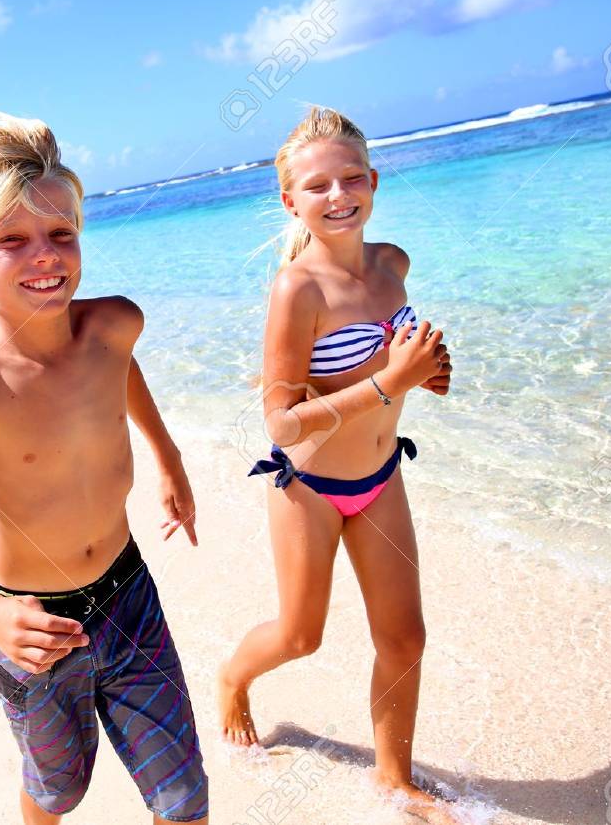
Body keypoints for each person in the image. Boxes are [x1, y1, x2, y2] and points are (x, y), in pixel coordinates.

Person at [0, 112, 209, 823]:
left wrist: (168, 456)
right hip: (33, 627)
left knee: (183, 798)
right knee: (57, 790)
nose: (45, 256)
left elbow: (122, 371)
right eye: (11, 241)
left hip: (130, 595)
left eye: (61, 233)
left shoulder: (114, 324)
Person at [218, 105, 457, 823]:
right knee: (302, 636)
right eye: (317, 186)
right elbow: (281, 420)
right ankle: (232, 679)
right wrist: (389, 380)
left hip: (382, 478)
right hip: (311, 486)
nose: (338, 195)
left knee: (405, 637)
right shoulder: (299, 290)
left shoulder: (394, 264)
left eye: (352, 178)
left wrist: (428, 372)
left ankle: (394, 779)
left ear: (374, 181)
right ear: (291, 200)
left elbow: (394, 361)